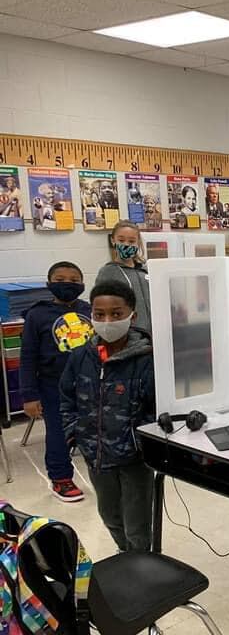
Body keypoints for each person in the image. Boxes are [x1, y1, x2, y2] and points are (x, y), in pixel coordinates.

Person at [60, 280, 156, 552]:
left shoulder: (147, 359)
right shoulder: (81, 357)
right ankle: (125, 554)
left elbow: (158, 406)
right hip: (96, 456)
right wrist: (74, 433)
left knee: (137, 523)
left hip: (134, 460)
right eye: (99, 314)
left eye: (116, 314)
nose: (107, 320)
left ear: (132, 316)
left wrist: (140, 441)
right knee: (110, 516)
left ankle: (140, 566)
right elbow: (67, 398)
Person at [19, 261, 94, 502]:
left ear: (82, 284)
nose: (67, 284)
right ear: (48, 284)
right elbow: (28, 356)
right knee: (58, 433)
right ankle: (61, 479)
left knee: (95, 428)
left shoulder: (91, 310)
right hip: (53, 386)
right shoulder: (36, 315)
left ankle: (102, 472)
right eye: (60, 280)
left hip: (90, 382)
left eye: (74, 280)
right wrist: (29, 395)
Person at [95, 221, 151, 334]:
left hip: (153, 333)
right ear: (113, 240)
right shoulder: (108, 272)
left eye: (131, 241)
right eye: (121, 240)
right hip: (127, 335)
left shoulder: (145, 270)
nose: (126, 244)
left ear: (138, 243)